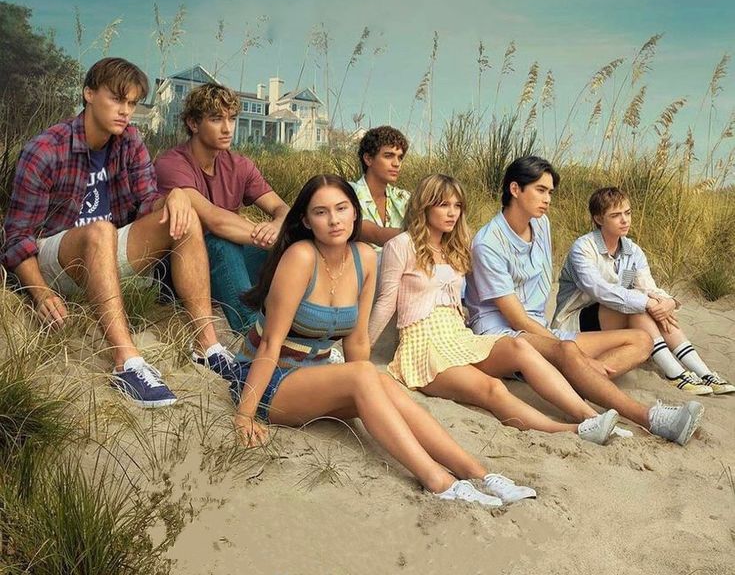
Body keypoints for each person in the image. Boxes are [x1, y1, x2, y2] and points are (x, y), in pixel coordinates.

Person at [232, 174, 537, 506]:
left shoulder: (364, 258)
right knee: (365, 375)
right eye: (321, 212)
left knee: (382, 384)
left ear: (354, 212)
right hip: (266, 383)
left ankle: (480, 474)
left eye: (341, 208)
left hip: (316, 378)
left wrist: (368, 389)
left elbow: (358, 340)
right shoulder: (300, 257)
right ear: (306, 220)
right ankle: (439, 481)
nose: (334, 220)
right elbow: (270, 344)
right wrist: (244, 416)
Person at [1, 58, 238, 407]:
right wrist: (40, 294)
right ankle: (127, 363)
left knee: (182, 214)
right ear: (89, 94)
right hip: (56, 263)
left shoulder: (129, 142)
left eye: (131, 103)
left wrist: (174, 199)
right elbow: (17, 238)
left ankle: (208, 346)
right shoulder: (46, 150)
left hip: (107, 254)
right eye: (116, 99)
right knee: (100, 230)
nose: (125, 111)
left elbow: (146, 204)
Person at [465, 156, 705, 446]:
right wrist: (569, 352)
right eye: (540, 190)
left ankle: (578, 377)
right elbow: (516, 320)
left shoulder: (541, 226)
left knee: (641, 340)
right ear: (515, 189)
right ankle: (650, 418)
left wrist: (575, 358)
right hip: (500, 336)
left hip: (539, 329)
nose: (547, 199)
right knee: (567, 351)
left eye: (550, 192)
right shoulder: (488, 242)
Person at [369, 175, 622, 444]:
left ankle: (589, 416)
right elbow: (386, 303)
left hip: (459, 337)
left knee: (520, 347)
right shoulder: (401, 245)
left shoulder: (455, 247)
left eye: (457, 206)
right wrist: (361, 355)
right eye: (443, 205)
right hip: (423, 347)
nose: (452, 213)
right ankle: (572, 432)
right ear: (424, 206)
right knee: (492, 388)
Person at [554, 186, 734, 396]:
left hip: (614, 317)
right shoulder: (583, 248)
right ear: (599, 219)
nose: (625, 220)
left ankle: (703, 372)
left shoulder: (632, 251)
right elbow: (600, 291)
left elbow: (648, 287)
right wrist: (646, 302)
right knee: (638, 307)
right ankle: (674, 373)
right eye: (616, 215)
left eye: (627, 213)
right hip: (575, 322)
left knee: (650, 306)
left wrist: (669, 302)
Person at [155, 82, 289, 335]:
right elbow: (216, 221)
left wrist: (277, 227)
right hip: (179, 274)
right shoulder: (172, 163)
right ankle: (253, 336)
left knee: (291, 253)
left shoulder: (239, 165)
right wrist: (273, 238)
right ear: (194, 124)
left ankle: (295, 328)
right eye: (216, 119)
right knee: (222, 243)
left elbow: (282, 208)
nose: (228, 128)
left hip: (228, 268)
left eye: (232, 119)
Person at [350, 126, 410, 251]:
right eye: (388, 156)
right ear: (368, 159)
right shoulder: (348, 194)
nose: (396, 163)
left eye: (400, 157)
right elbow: (376, 234)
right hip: (360, 268)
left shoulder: (403, 198)